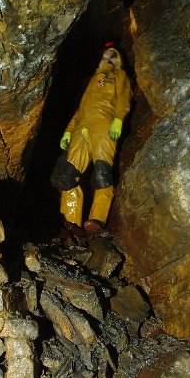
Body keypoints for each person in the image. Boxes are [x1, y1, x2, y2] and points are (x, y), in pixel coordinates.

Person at [51, 43, 132, 236]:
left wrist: (119, 119)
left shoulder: (120, 76)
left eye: (113, 57)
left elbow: (124, 99)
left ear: (118, 61)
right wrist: (69, 131)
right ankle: (70, 222)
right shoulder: (94, 79)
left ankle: (97, 219)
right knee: (69, 174)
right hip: (82, 127)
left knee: (103, 171)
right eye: (106, 57)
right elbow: (81, 108)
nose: (109, 59)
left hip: (104, 125)